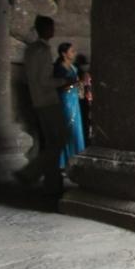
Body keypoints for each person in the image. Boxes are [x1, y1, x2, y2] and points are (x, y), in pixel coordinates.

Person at [15, 16, 69, 196]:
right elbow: (44, 80)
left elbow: (28, 79)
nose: (53, 30)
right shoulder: (43, 50)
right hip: (48, 100)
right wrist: (64, 80)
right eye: (51, 27)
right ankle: (30, 172)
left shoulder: (30, 50)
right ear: (46, 29)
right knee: (59, 140)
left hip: (37, 100)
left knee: (50, 143)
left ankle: (52, 183)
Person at [52, 42, 86, 170]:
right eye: (71, 51)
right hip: (65, 100)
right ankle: (64, 162)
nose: (74, 53)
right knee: (68, 128)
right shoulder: (59, 68)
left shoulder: (73, 66)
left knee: (76, 129)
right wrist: (75, 83)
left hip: (74, 100)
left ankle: (76, 159)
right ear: (64, 54)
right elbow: (59, 86)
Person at [74, 53, 93, 145]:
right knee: (86, 122)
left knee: (85, 122)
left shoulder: (79, 73)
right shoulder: (84, 74)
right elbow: (86, 89)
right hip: (83, 100)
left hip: (81, 100)